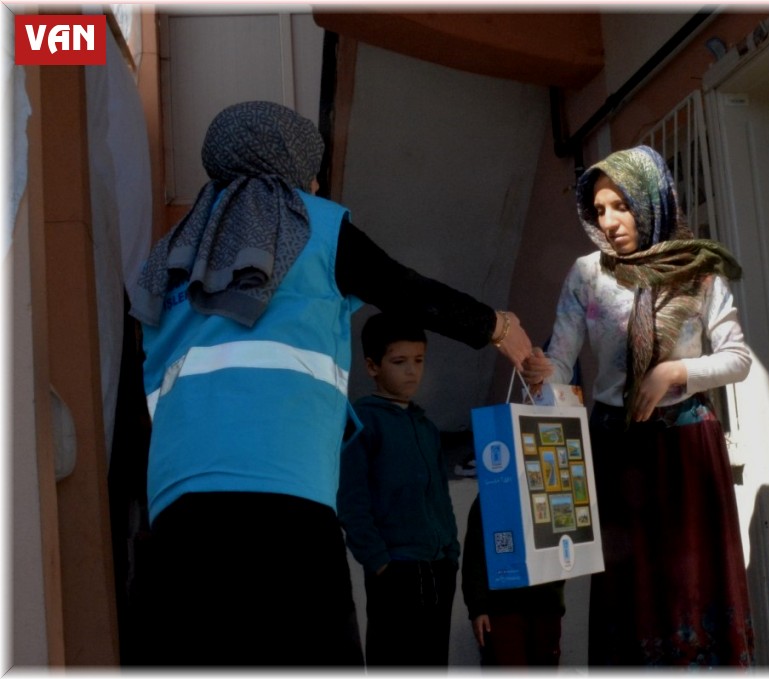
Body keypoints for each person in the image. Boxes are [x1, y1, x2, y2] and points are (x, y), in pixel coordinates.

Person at [129, 100, 534, 666]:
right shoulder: (313, 226)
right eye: (311, 168)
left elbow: (137, 395)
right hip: (286, 505)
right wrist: (497, 326)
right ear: (293, 168)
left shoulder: (169, 255)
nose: (316, 183)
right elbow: (405, 290)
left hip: (177, 516)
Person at [522, 145, 754, 667]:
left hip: (687, 454)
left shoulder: (697, 270)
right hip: (618, 454)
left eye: (621, 206)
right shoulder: (587, 274)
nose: (609, 222)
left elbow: (738, 359)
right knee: (630, 594)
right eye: (600, 210)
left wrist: (678, 372)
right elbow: (561, 357)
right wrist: (543, 378)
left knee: (693, 587)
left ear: (650, 202)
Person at [337, 314, 459, 667]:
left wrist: (450, 552)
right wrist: (378, 562)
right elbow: (350, 501)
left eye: (418, 361)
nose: (411, 371)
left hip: (438, 568)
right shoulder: (362, 421)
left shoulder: (426, 426)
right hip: (395, 571)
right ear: (372, 366)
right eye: (399, 362)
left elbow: (441, 499)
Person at [461, 494, 566, 667]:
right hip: (503, 607)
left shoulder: (551, 494)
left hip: (546, 604)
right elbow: (474, 556)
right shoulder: (491, 493)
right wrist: (478, 608)